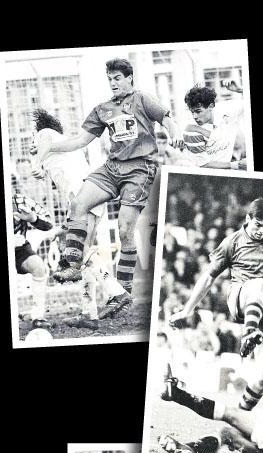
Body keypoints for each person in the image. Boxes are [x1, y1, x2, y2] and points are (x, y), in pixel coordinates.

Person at [35, 58, 181, 291]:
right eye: (110, 79)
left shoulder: (142, 99)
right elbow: (80, 140)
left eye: (117, 78)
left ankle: (123, 288)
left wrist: (175, 134)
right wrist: (49, 147)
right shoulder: (103, 108)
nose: (113, 83)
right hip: (112, 168)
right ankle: (72, 264)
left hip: (140, 170)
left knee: (124, 229)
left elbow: (167, 120)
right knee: (78, 204)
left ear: (129, 77)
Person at [168, 196, 263, 411]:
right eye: (258, 225)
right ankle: (249, 332)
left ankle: (240, 414)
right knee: (259, 285)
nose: (262, 231)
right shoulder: (233, 242)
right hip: (241, 298)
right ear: (248, 218)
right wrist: (186, 310)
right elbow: (208, 277)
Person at [28, 109, 130, 323]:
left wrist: (36, 163)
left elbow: (44, 142)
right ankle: (88, 313)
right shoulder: (58, 148)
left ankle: (116, 293)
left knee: (79, 253)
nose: (33, 138)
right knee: (83, 254)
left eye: (33, 134)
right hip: (88, 197)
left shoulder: (45, 133)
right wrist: (39, 161)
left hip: (84, 196)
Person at [10, 192, 55, 330]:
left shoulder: (20, 200)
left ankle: (38, 317)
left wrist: (33, 218)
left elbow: (49, 223)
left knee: (39, 266)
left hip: (18, 249)